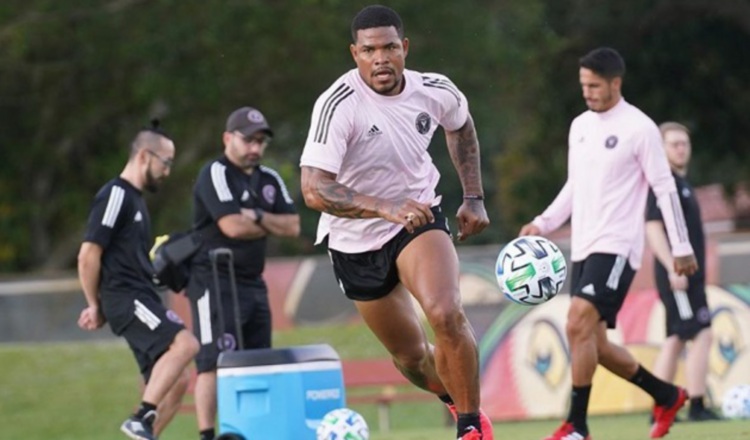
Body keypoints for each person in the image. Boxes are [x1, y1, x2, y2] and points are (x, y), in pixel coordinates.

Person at [299, 5, 493, 440]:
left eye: (389, 47)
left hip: (418, 218)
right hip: (353, 243)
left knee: (445, 313)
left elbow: (461, 127)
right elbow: (314, 190)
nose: (381, 58)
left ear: (404, 48)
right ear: (355, 54)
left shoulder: (435, 89)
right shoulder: (337, 105)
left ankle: (470, 427)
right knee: (411, 358)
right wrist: (384, 206)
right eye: (369, 50)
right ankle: (460, 399)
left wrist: (474, 197)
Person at [519, 47, 698, 440]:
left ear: (615, 83)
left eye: (595, 85)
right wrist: (543, 222)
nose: (587, 92)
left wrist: (681, 246)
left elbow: (664, 188)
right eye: (584, 85)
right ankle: (666, 395)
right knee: (592, 342)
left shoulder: (640, 128)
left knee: (577, 320)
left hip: (618, 246)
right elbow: (574, 185)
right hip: (583, 246)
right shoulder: (580, 125)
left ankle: (577, 425)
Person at [77, 122, 200, 440]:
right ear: (145, 156)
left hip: (140, 296)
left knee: (178, 382)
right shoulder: (116, 194)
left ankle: (146, 432)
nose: (168, 171)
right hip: (127, 299)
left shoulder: (136, 202)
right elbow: (88, 255)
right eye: (166, 162)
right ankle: (141, 415)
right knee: (186, 344)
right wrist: (95, 304)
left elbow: (126, 259)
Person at [186, 106, 300, 440]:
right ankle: (208, 435)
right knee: (213, 361)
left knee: (257, 359)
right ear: (227, 138)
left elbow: (293, 226)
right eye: (248, 140)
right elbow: (232, 226)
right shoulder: (216, 173)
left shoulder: (269, 178)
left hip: (252, 281)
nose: (255, 147)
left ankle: (253, 431)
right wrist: (264, 220)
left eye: (260, 141)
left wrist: (258, 216)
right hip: (213, 280)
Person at [646, 122, 719, 421]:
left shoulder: (682, 184)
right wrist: (671, 267)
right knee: (700, 334)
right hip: (678, 275)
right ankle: (696, 405)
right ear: (660, 149)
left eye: (684, 143)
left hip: (689, 275)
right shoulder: (664, 184)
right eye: (674, 143)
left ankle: (662, 407)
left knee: (676, 338)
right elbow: (652, 228)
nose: (680, 148)